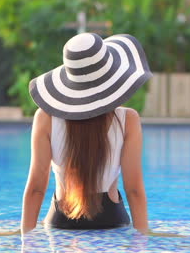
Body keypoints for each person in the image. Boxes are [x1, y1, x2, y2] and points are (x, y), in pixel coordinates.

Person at [20, 32, 153, 235]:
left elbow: (36, 188)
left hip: (61, 220)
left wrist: (25, 239)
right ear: (111, 74)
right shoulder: (128, 120)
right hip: (111, 219)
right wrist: (144, 237)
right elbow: (134, 189)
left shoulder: (45, 118)